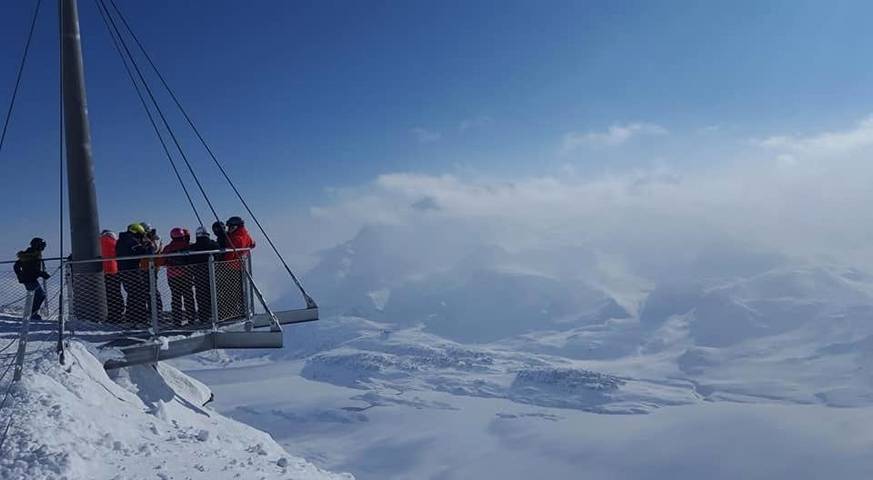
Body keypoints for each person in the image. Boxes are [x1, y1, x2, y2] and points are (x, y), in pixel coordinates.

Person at [224, 216, 255, 319]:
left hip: (231, 268)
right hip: (241, 266)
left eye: (230, 227)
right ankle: (242, 310)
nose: (229, 229)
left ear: (236, 226)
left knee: (231, 291)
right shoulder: (245, 235)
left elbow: (229, 255)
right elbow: (253, 244)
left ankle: (232, 312)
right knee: (240, 290)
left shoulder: (236, 238)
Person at [116, 223, 147, 324]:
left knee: (132, 294)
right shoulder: (131, 241)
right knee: (139, 294)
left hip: (122, 270)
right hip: (132, 270)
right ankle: (140, 318)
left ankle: (132, 318)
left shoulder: (120, 241)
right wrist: (149, 245)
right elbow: (144, 252)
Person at [162, 227, 195, 325]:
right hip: (186, 275)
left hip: (172, 276)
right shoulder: (188, 246)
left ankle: (177, 320)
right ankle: (191, 318)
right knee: (188, 297)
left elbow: (163, 261)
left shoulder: (167, 248)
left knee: (175, 298)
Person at [13, 238, 50, 320]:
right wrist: (41, 274)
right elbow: (31, 269)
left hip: (30, 279)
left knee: (38, 295)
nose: (43, 248)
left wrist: (20, 275)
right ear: (37, 245)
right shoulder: (31, 254)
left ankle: (32, 313)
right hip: (29, 279)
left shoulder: (32, 254)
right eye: (41, 245)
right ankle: (32, 314)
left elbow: (18, 266)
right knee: (39, 295)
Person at [189, 226, 219, 323]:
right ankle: (215, 314)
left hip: (199, 273)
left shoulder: (194, 247)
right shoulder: (213, 245)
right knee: (213, 293)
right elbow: (218, 254)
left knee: (201, 295)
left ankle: (203, 316)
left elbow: (190, 258)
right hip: (212, 272)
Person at [100, 230, 124, 322]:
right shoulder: (115, 242)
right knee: (116, 292)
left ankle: (110, 313)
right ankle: (118, 313)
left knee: (107, 293)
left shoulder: (97, 242)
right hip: (114, 269)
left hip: (102, 271)